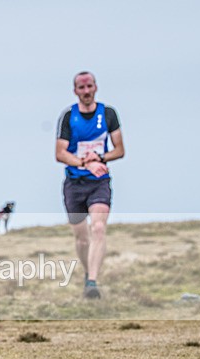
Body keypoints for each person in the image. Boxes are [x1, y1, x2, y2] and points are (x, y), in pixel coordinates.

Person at [55, 71, 125, 299]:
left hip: (99, 182)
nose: (86, 91)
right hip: (74, 183)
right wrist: (85, 163)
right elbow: (60, 153)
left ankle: (92, 282)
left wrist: (101, 158)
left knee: (98, 228)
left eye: (89, 86)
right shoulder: (68, 117)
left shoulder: (108, 114)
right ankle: (88, 273)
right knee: (82, 238)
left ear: (96, 87)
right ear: (75, 91)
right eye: (81, 87)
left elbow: (119, 150)